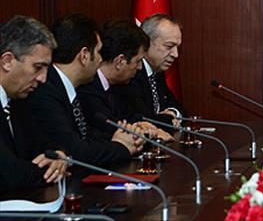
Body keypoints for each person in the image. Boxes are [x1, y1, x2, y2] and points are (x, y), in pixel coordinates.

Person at [26, 14, 143, 166]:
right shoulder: (45, 92)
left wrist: (124, 138)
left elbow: (87, 135)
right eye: (99, 52)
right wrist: (122, 147)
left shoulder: (67, 87)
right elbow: (76, 150)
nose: (101, 59)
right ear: (84, 55)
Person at [0, 15, 68, 191]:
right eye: (38, 67)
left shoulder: (18, 101)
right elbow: (9, 175)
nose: (43, 79)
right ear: (7, 61)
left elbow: (44, 145)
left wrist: (59, 157)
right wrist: (51, 171)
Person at [77, 20, 173, 141]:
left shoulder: (118, 86)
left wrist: (140, 125)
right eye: (138, 61)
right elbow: (108, 129)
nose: (140, 68)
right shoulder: (88, 89)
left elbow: (129, 117)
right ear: (120, 61)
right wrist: (142, 133)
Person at [113, 14, 186, 125]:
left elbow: (180, 108)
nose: (175, 54)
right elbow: (143, 119)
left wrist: (173, 112)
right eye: (169, 46)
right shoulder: (132, 72)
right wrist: (168, 118)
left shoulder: (157, 72)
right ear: (147, 42)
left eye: (177, 48)